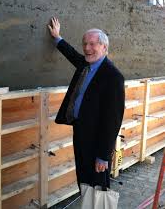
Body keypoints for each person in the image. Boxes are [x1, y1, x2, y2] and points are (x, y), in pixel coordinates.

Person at [48, 17, 125, 190]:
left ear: (104, 47)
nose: (87, 48)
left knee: (97, 185)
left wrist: (103, 156)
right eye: (85, 44)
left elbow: (112, 121)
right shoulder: (85, 64)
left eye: (92, 44)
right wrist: (57, 37)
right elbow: (72, 54)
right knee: (83, 180)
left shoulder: (113, 77)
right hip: (81, 132)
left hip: (97, 142)